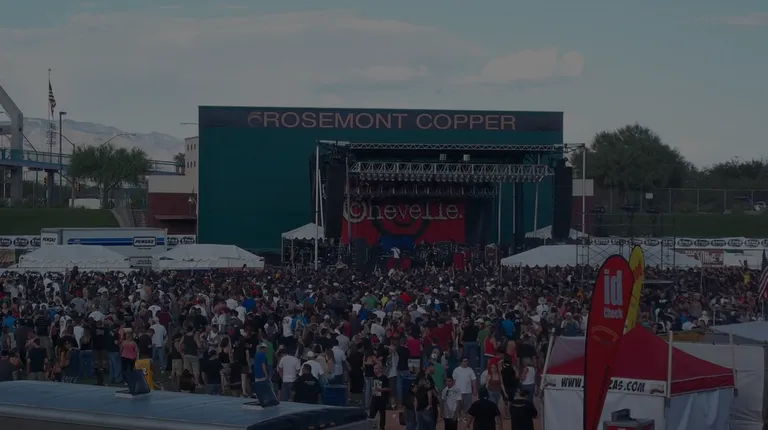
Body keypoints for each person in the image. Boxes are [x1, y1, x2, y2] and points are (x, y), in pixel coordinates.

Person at [367, 363, 390, 430]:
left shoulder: (384, 378)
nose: (374, 370)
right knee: (372, 414)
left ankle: (382, 427)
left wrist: (380, 389)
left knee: (382, 414)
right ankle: (370, 427)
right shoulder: (374, 378)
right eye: (374, 369)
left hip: (382, 399)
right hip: (375, 398)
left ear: (380, 369)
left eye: (376, 368)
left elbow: (389, 388)